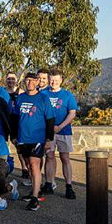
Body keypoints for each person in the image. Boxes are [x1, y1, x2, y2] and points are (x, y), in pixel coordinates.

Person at [13, 72, 55, 211]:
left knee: (34, 164)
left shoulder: (43, 98)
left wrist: (49, 139)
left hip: (37, 138)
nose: (30, 82)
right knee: (29, 166)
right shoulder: (20, 98)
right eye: (27, 80)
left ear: (37, 82)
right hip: (22, 138)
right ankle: (34, 191)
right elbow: (14, 117)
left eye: (32, 80)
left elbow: (50, 120)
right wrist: (13, 135)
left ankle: (35, 199)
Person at [42, 68, 78, 199]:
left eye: (56, 80)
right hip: (48, 132)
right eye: (51, 80)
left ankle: (69, 186)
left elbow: (72, 113)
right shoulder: (43, 94)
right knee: (49, 157)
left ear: (61, 80)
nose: (53, 83)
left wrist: (60, 126)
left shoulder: (67, 95)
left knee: (65, 158)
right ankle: (48, 184)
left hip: (64, 131)